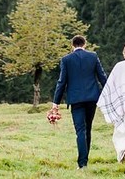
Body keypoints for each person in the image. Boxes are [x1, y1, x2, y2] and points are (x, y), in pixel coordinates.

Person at [50, 35, 108, 169]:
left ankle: (82, 164)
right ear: (85, 44)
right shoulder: (93, 56)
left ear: (72, 45)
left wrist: (56, 102)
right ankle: (84, 161)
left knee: (80, 130)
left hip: (76, 100)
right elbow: (102, 77)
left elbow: (61, 82)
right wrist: (110, 94)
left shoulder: (66, 60)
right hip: (92, 98)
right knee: (88, 129)